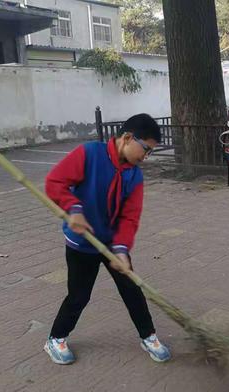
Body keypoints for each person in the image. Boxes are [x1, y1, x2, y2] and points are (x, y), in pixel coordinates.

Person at [43, 113, 171, 365]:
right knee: (79, 295)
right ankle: (55, 338)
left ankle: (148, 335)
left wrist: (122, 249)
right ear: (126, 138)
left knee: (132, 289)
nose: (146, 157)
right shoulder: (89, 154)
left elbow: (130, 217)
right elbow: (54, 183)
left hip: (113, 243)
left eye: (150, 153)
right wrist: (74, 210)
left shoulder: (134, 175)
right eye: (145, 149)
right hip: (81, 242)